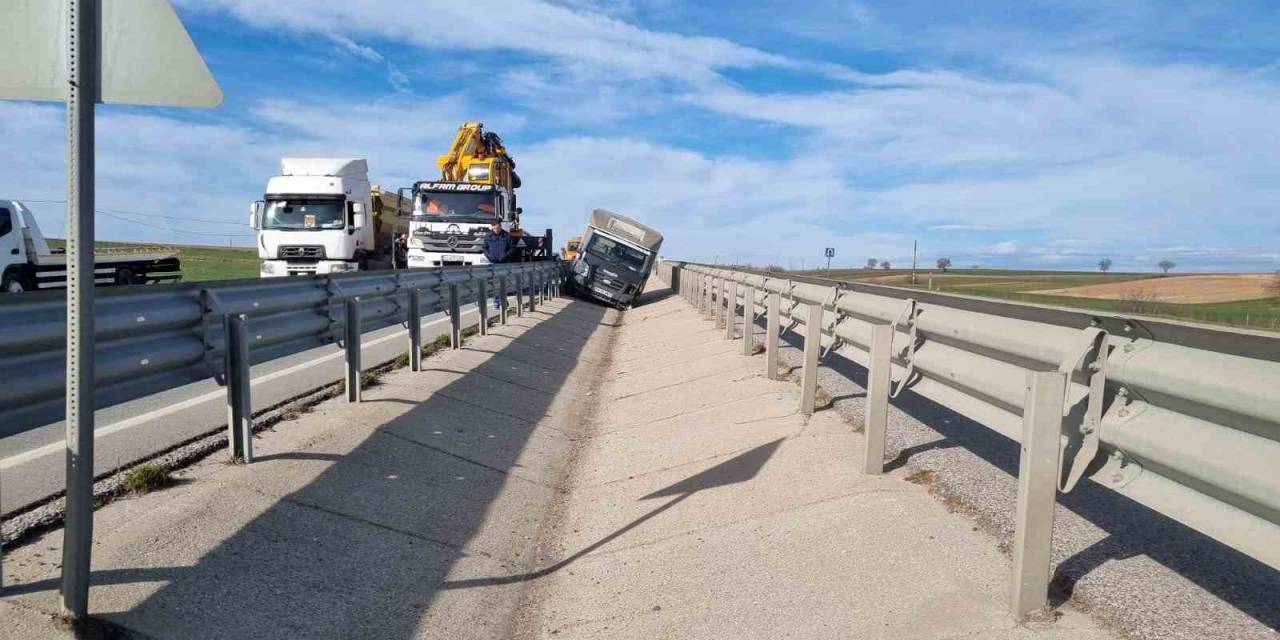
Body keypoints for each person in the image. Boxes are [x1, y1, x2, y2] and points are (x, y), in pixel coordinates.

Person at [483, 220, 515, 309]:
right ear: (492, 227)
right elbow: (484, 248)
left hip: (504, 263)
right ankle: (496, 302)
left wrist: (506, 256)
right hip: (493, 263)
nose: (496, 230)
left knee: (503, 282)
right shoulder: (488, 236)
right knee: (495, 283)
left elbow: (512, 248)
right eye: (494, 228)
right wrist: (489, 257)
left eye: (497, 228)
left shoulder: (507, 235)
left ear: (500, 226)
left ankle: (503, 301)